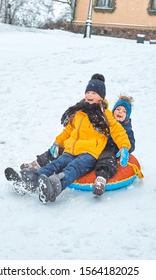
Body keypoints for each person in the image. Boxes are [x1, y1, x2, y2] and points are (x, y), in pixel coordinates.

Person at [21, 74, 132, 203]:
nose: (90, 95)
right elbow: (68, 130)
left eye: (94, 93)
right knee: (57, 163)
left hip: (90, 153)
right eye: (88, 92)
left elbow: (118, 131)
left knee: (74, 168)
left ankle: (54, 188)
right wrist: (57, 142)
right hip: (71, 150)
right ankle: (32, 180)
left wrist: (124, 146)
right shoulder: (78, 112)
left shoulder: (105, 114)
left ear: (101, 97)